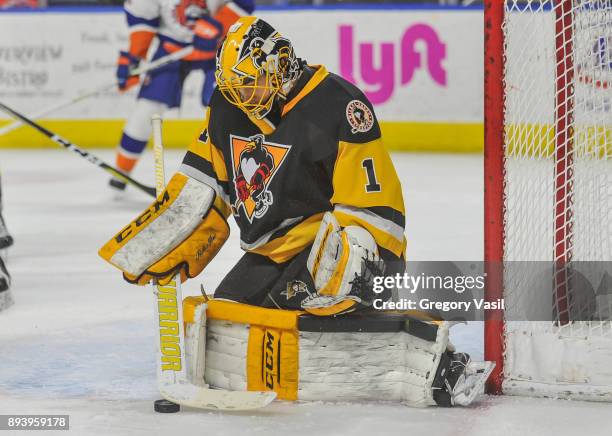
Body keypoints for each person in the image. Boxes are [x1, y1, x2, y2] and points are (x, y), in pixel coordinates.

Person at [100, 16, 493, 407]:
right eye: (235, 87)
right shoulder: (227, 106)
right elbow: (206, 182)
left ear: (280, 66)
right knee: (228, 331)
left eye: (250, 83)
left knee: (312, 319)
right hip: (272, 253)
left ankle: (438, 360)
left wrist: (358, 262)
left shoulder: (339, 106)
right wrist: (171, 233)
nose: (242, 96)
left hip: (336, 252)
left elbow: (376, 207)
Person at [109, 0, 255, 192]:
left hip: (220, 48)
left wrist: (220, 24)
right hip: (172, 49)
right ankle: (121, 173)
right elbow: (143, 21)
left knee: (225, 105)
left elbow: (245, 3)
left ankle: (245, 171)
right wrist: (134, 58)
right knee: (147, 109)